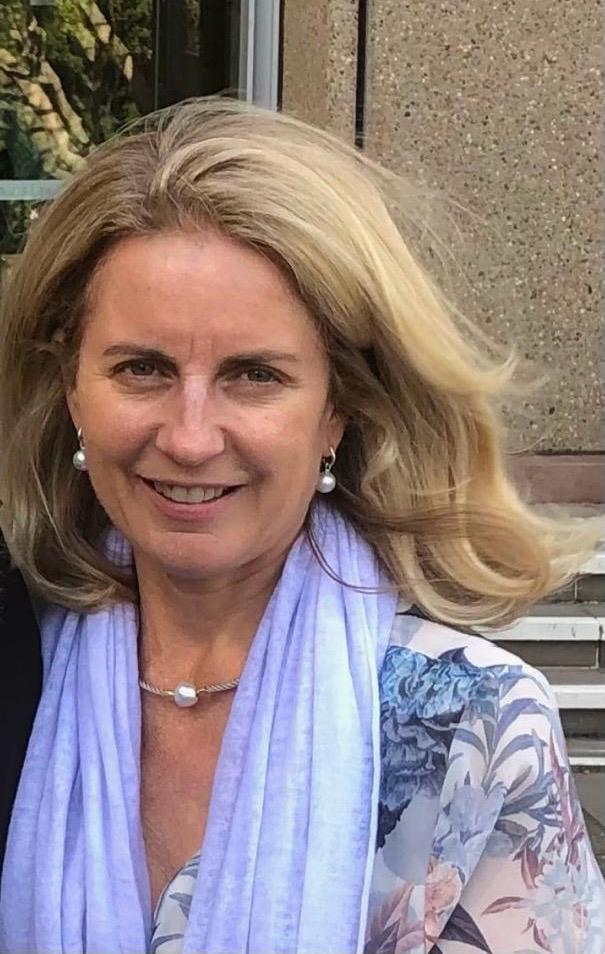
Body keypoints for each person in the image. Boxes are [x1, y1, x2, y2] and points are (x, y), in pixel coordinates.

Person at [0, 97, 602, 954]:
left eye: (254, 375)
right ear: (71, 389)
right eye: (142, 369)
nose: (190, 437)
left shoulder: (475, 732)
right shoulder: (16, 662)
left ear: (338, 409)